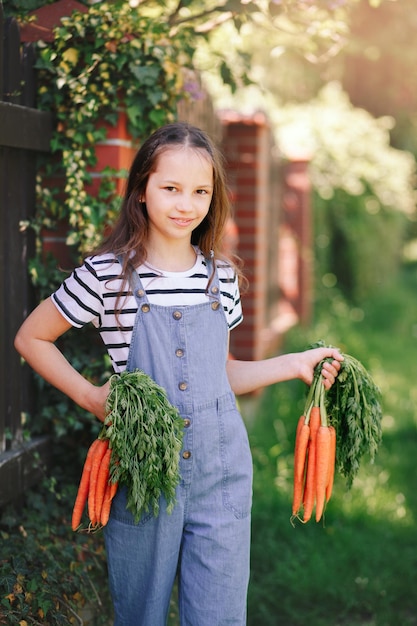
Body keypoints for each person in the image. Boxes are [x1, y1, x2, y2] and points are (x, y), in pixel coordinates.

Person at [14, 122, 342, 625]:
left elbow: (221, 374)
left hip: (222, 475)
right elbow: (31, 337)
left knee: (219, 615)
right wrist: (90, 396)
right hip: (144, 474)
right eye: (171, 188)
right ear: (142, 189)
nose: (185, 204)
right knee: (140, 613)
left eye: (200, 192)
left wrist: (295, 364)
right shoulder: (108, 275)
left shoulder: (221, 277)